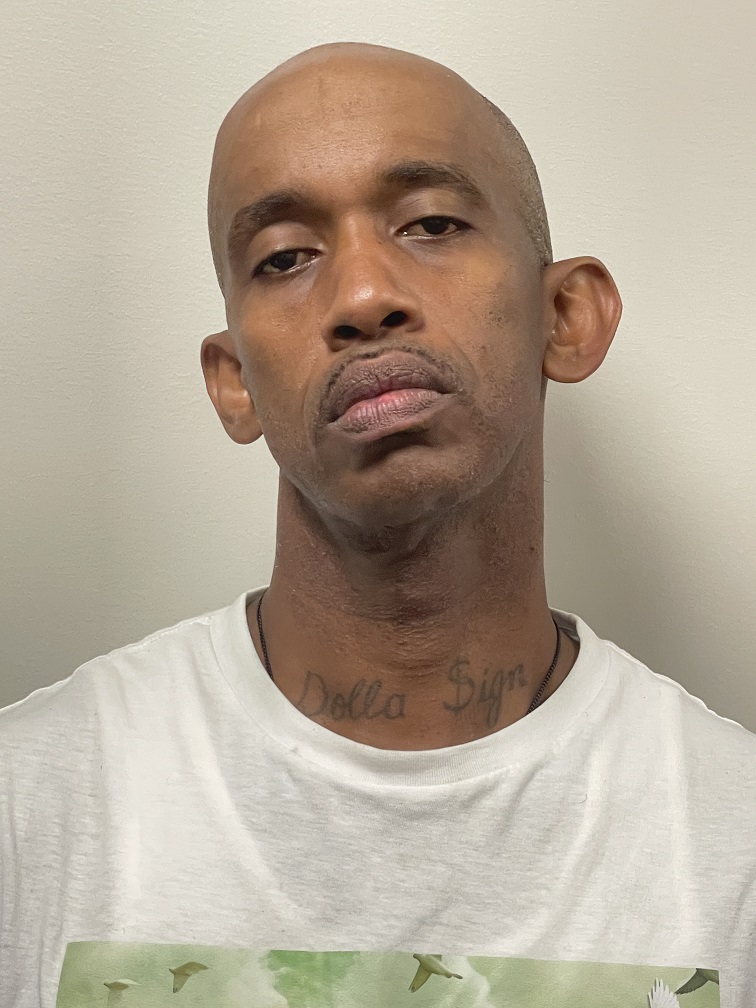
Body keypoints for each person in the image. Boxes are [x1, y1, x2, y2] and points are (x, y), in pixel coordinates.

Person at [1, 41, 753, 1008]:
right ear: (234, 383)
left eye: (431, 223)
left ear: (565, 315)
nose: (362, 297)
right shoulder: (29, 806)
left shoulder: (733, 842)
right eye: (285, 258)